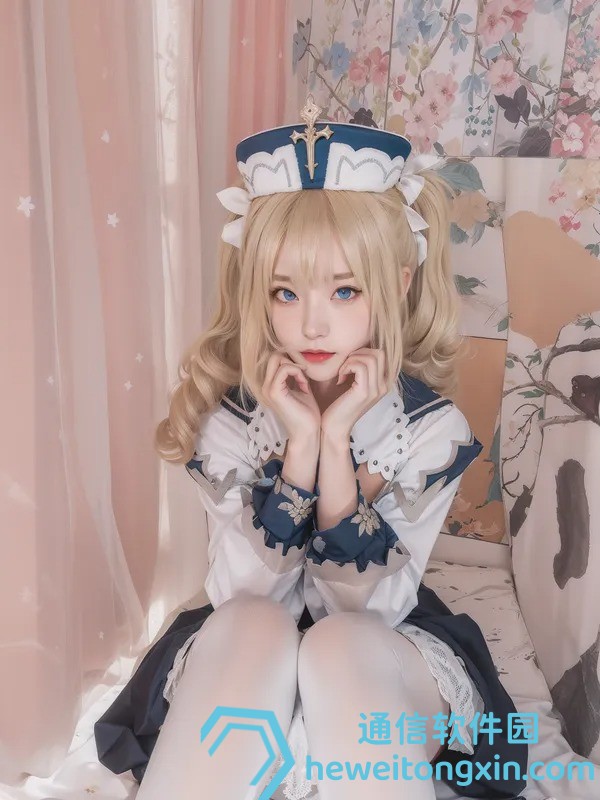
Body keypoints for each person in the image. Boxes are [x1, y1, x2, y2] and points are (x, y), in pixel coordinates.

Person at [94, 95, 528, 800]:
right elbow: (242, 593)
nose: (313, 324)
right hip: (245, 654)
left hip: (373, 651)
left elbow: (365, 612)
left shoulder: (429, 429)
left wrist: (335, 449)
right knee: (251, 623)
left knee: (338, 646)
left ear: (399, 283)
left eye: (345, 290)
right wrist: (300, 449)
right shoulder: (230, 420)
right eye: (285, 293)